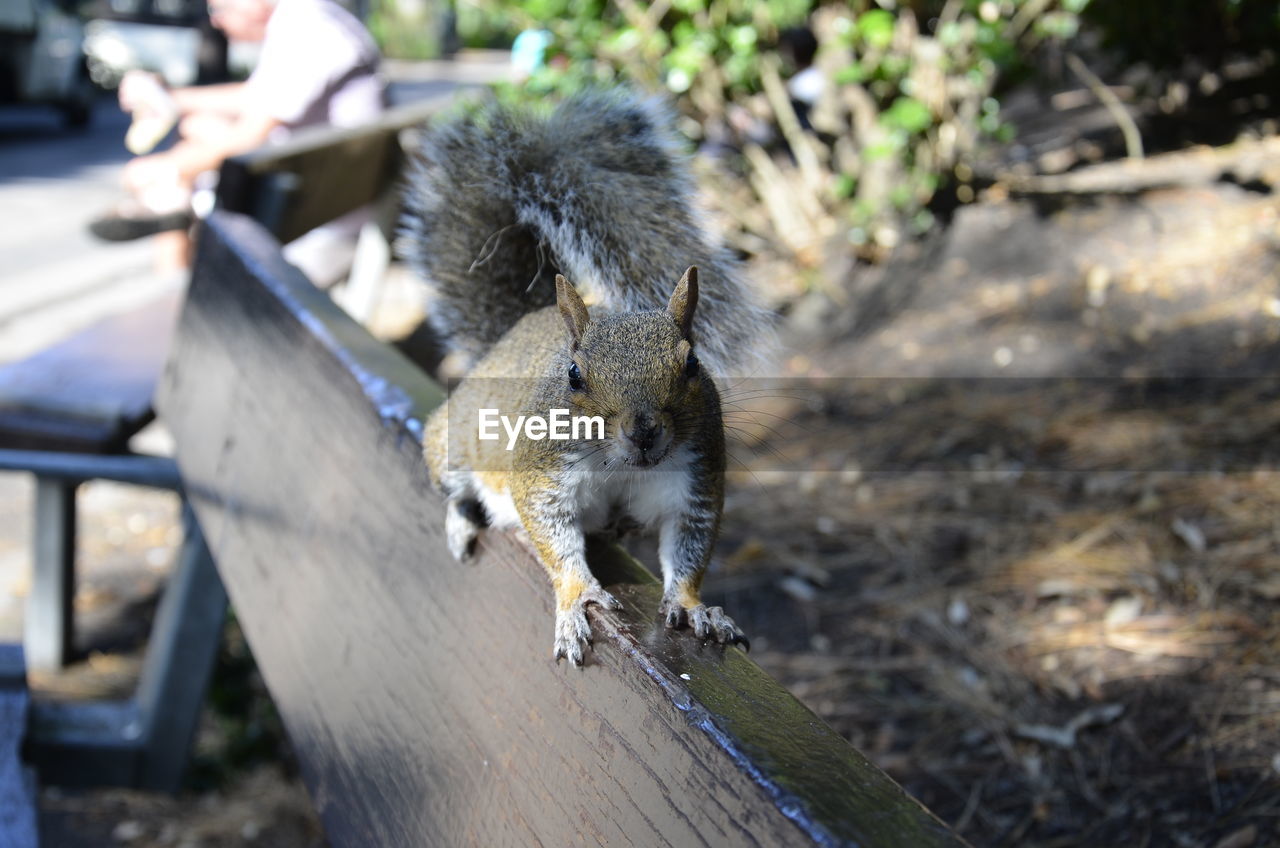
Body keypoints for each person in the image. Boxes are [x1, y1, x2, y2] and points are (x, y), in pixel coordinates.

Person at [90, 0, 385, 286]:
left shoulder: (306, 28)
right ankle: (172, 211)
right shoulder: (313, 17)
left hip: (311, 219)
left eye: (220, 8)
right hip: (330, 195)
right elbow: (258, 95)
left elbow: (250, 135)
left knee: (179, 179)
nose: (215, 20)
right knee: (197, 127)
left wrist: (163, 168)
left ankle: (173, 279)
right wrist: (172, 99)